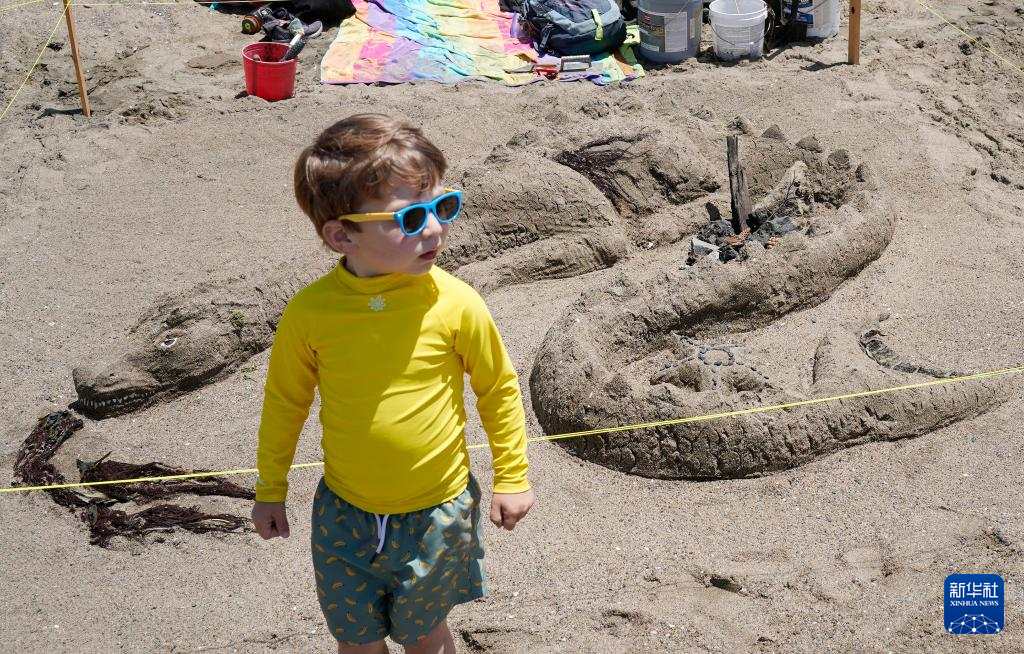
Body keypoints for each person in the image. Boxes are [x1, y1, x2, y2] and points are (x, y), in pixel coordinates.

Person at [251, 113, 535, 654]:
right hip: (344, 516)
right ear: (342, 235)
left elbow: (498, 388)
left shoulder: (456, 302)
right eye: (410, 217)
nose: (434, 229)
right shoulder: (311, 313)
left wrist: (512, 477)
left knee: (425, 637)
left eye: (441, 206)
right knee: (355, 641)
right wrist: (270, 489)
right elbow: (286, 402)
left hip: (436, 512)